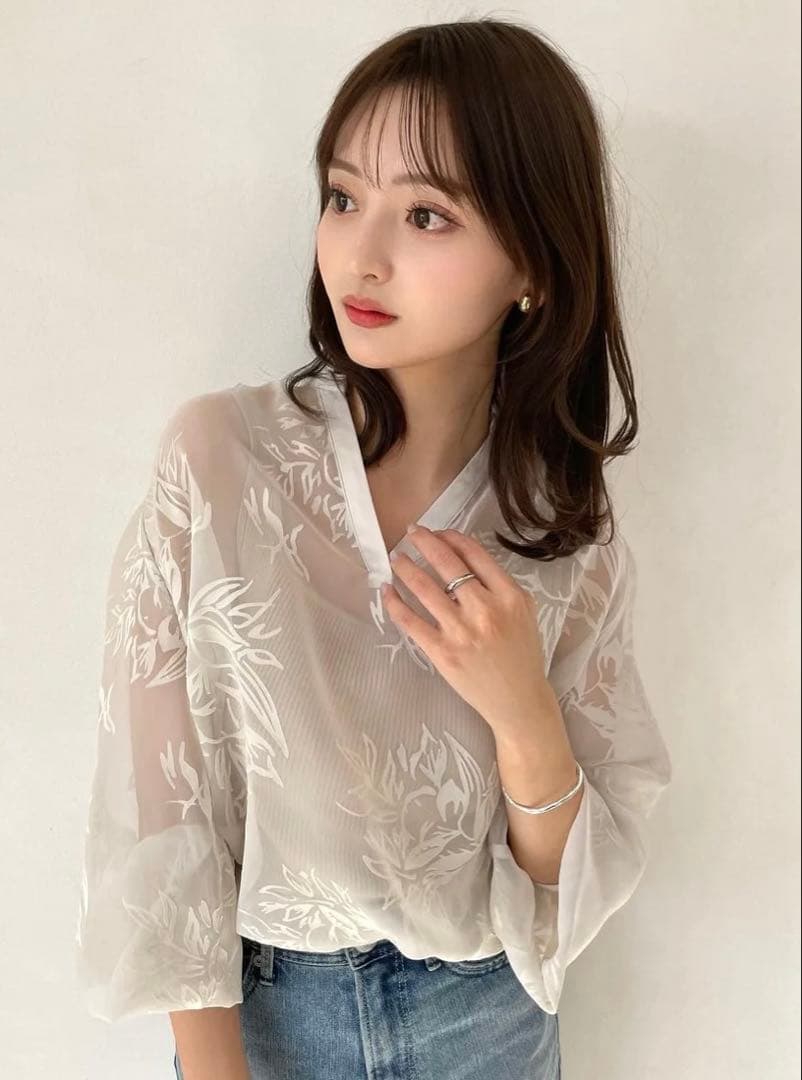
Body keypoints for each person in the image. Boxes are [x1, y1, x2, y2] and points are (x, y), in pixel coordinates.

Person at [75, 17, 673, 1080]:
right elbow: (166, 821)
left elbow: (560, 892)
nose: (362, 254)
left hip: (488, 1026)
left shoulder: (561, 528)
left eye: (427, 214)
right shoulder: (220, 462)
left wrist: (523, 710)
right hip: (272, 1021)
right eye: (344, 197)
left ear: (532, 265)